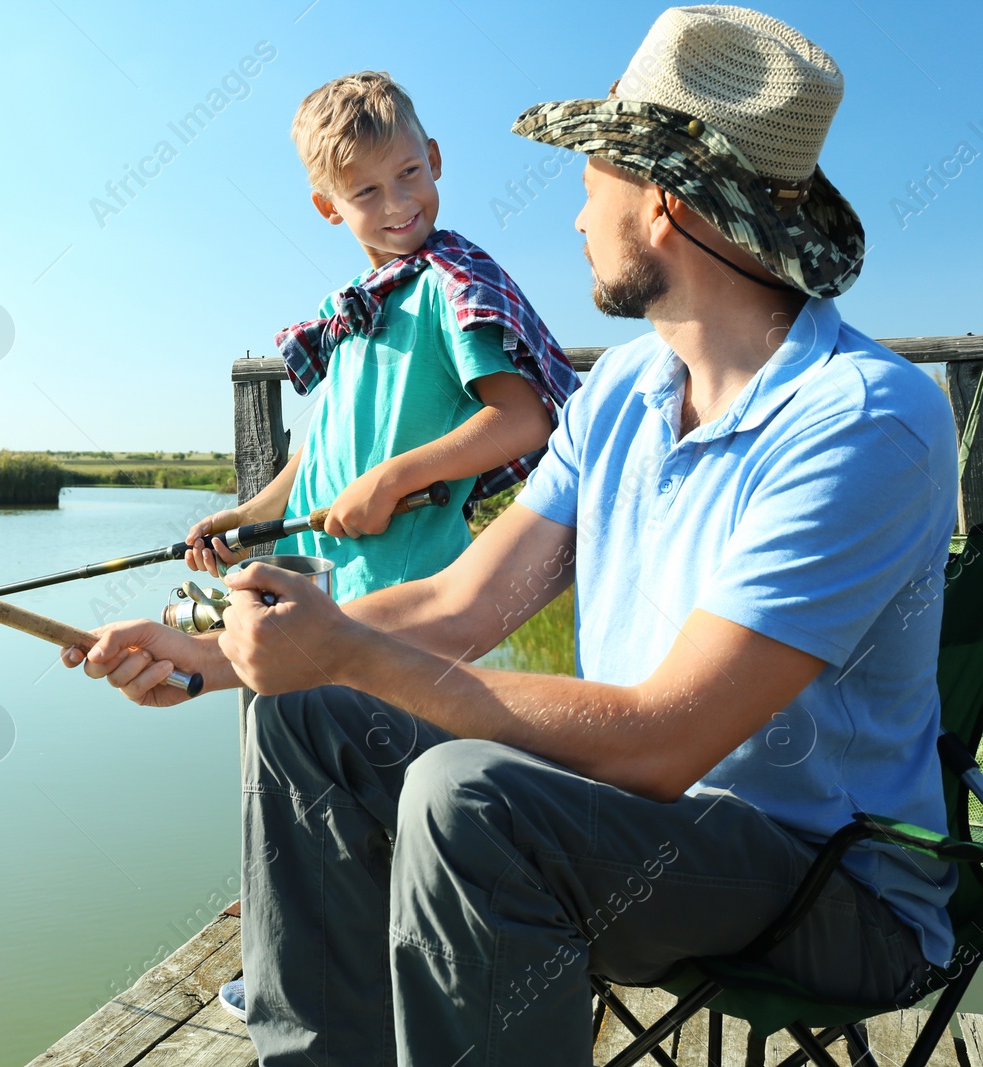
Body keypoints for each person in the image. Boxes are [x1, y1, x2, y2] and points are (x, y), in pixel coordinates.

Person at [65, 7, 961, 1065]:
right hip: (631, 824)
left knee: (468, 798)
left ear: (664, 206)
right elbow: (460, 604)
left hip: (826, 886)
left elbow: (667, 737)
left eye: (591, 185)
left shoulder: (861, 417)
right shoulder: (625, 389)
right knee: (305, 718)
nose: (576, 217)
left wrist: (350, 648)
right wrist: (220, 655)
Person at [183, 71, 575, 604]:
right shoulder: (347, 310)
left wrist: (390, 480)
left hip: (408, 596)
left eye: (409, 172)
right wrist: (253, 514)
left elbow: (525, 420)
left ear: (434, 160)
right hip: (324, 590)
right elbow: (332, 440)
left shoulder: (448, 287)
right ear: (328, 206)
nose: (397, 203)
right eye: (366, 191)